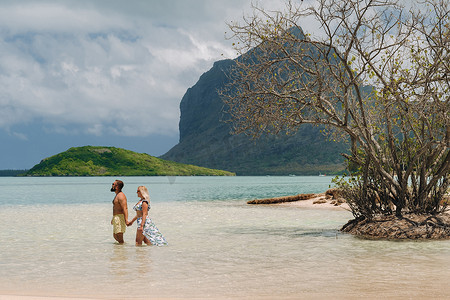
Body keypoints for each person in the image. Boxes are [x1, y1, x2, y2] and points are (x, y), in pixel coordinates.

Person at [111, 180, 129, 244]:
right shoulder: (117, 195)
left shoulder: (121, 196)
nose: (112, 185)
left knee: (119, 236)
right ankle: (120, 250)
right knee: (115, 235)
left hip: (120, 217)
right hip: (116, 217)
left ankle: (122, 252)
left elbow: (125, 208)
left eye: (113, 184)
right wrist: (113, 218)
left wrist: (126, 219)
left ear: (117, 186)